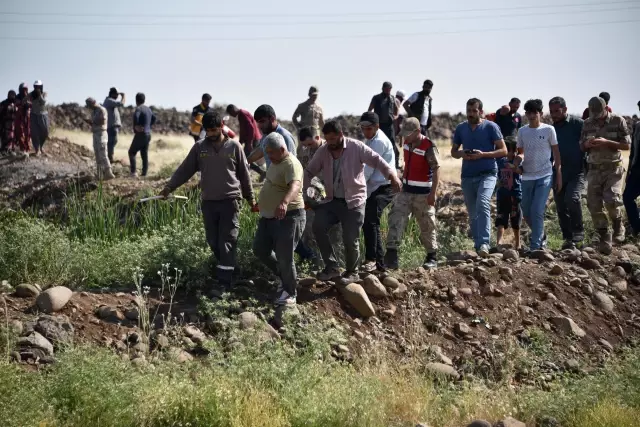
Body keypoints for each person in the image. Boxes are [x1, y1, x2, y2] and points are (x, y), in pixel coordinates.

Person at [160, 111, 256, 290]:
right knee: (213, 241)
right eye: (207, 130)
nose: (211, 134)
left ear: (222, 127)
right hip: (209, 202)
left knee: (227, 240)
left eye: (214, 130)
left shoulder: (235, 147)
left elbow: (245, 175)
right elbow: (185, 170)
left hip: (231, 201)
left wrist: (250, 198)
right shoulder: (199, 148)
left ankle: (223, 284)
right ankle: (233, 272)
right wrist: (169, 187)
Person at [304, 120, 402, 285]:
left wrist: (392, 176)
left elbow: (378, 161)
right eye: (327, 140)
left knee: (350, 238)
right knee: (318, 226)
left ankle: (352, 272)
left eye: (333, 139)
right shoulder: (323, 150)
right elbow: (309, 171)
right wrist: (305, 192)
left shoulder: (356, 147)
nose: (330, 143)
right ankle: (332, 268)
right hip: (332, 200)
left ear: (341, 135)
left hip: (354, 201)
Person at [253, 132, 306, 306]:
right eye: (266, 152)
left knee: (285, 255)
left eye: (271, 153)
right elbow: (272, 185)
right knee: (260, 249)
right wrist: (261, 204)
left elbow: (295, 186)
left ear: (282, 149)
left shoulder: (291, 164)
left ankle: (291, 292)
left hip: (290, 215)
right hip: (269, 216)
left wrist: (283, 202)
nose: (268, 156)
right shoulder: (275, 161)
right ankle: (283, 279)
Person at [451, 98, 507, 257]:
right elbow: (453, 152)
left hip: (487, 173)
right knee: (472, 211)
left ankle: (484, 243)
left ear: (480, 111)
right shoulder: (461, 128)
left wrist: (483, 155)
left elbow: (503, 151)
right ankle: (478, 246)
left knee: (483, 202)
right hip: (467, 175)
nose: (470, 114)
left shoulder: (491, 127)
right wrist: (463, 154)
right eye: (468, 111)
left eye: (474, 111)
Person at [385, 117, 440, 270]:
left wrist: (433, 193)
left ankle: (432, 257)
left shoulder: (428, 146)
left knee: (427, 224)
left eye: (408, 134)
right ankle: (391, 256)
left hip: (423, 194)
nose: (405, 137)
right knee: (396, 219)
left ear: (417, 131)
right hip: (406, 191)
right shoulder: (407, 144)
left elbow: (436, 169)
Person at [581, 96, 631, 254]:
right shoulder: (587, 123)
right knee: (593, 204)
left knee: (611, 200)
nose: (596, 117)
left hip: (613, 168)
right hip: (594, 168)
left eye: (599, 114)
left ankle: (618, 226)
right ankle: (604, 234)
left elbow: (626, 144)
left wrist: (607, 142)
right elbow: (581, 145)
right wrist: (587, 144)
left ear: (606, 108)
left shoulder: (618, 120)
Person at [511, 99, 561, 253]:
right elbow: (521, 152)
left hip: (544, 175)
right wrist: (517, 162)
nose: (532, 116)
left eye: (535, 112)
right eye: (529, 113)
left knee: (537, 210)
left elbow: (556, 155)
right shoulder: (522, 131)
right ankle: (541, 236)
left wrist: (558, 174)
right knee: (526, 212)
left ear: (541, 113)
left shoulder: (549, 130)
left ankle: (535, 247)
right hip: (526, 177)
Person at [359, 112, 396, 272]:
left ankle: (375, 260)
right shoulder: (370, 139)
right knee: (368, 221)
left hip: (384, 186)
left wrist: (356, 187)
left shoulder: (378, 142)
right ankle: (377, 262)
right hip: (374, 186)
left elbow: (367, 170)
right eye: (363, 128)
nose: (365, 131)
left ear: (377, 127)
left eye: (369, 128)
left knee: (371, 220)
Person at [549, 96, 585, 249]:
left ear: (565, 109)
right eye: (551, 111)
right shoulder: (551, 129)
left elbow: (587, 142)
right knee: (560, 205)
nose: (554, 114)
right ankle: (568, 239)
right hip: (558, 172)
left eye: (557, 111)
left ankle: (578, 232)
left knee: (572, 198)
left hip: (577, 170)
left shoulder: (578, 124)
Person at [295, 125, 326, 266]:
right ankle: (309, 260)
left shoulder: (328, 150)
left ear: (318, 137)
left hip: (325, 197)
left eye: (310, 144)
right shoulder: (302, 149)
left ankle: (322, 263)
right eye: (305, 145)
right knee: (307, 228)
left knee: (323, 230)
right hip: (307, 196)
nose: (308, 147)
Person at [494, 139, 522, 250]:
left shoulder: (519, 161)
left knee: (516, 219)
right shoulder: (500, 162)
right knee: (501, 218)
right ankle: (499, 242)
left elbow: (522, 171)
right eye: (508, 150)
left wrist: (514, 167)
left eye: (513, 150)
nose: (511, 153)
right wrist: (498, 182)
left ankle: (518, 243)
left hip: (515, 194)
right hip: (502, 194)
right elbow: (496, 175)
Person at [248, 105, 297, 169]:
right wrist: (245, 161)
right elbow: (260, 151)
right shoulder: (266, 135)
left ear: (272, 119)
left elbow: (292, 165)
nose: (259, 126)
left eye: (262, 121)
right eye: (258, 122)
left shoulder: (285, 136)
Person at [226, 104, 265, 179]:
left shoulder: (243, 114)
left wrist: (249, 143)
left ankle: (260, 173)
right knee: (245, 158)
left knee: (245, 159)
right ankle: (260, 173)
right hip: (250, 140)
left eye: (230, 113)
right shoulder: (241, 115)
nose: (231, 115)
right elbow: (244, 130)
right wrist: (240, 142)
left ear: (233, 110)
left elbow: (250, 128)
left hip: (253, 139)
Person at [369, 82, 399, 168]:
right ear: (383, 88)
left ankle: (395, 164)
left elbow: (397, 110)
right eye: (386, 88)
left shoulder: (393, 98)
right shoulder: (376, 98)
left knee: (392, 143)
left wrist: (395, 117)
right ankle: (375, 162)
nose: (388, 90)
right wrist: (371, 120)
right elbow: (370, 109)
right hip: (379, 125)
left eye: (389, 89)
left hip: (389, 125)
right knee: (377, 143)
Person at [85, 97, 115, 180]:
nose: (89, 107)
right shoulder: (94, 112)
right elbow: (95, 123)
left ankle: (109, 172)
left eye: (89, 105)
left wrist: (93, 121)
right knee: (97, 154)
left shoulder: (102, 109)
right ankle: (99, 174)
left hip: (101, 133)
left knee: (103, 153)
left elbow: (103, 120)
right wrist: (90, 122)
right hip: (95, 133)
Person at [623, 100, 640, 240]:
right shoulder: (638, 126)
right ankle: (637, 227)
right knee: (627, 198)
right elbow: (633, 151)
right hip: (637, 170)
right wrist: (629, 171)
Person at [128, 93, 156, 177]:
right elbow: (154, 118)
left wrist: (136, 126)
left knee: (131, 152)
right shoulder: (148, 109)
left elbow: (136, 116)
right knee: (144, 153)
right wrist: (148, 125)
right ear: (144, 100)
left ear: (136, 100)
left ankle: (133, 173)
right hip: (148, 134)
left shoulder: (139, 108)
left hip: (141, 134)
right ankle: (144, 173)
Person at [102, 87, 126, 163]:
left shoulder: (110, 101)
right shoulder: (109, 101)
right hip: (111, 127)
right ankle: (110, 160)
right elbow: (121, 104)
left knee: (112, 143)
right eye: (116, 95)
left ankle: (109, 159)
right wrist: (123, 96)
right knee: (111, 143)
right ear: (112, 94)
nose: (117, 97)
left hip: (111, 127)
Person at [30, 80, 49, 156]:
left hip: (43, 115)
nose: (37, 88)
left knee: (45, 131)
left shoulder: (44, 93)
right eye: (36, 87)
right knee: (34, 132)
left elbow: (43, 102)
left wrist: (39, 95)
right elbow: (25, 99)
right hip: (34, 115)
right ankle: (37, 149)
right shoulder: (31, 94)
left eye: (38, 87)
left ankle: (41, 146)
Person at [14, 84, 31, 153]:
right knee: (20, 132)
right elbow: (15, 104)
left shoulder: (29, 97)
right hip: (19, 117)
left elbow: (33, 104)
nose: (24, 91)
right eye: (22, 89)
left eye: (25, 89)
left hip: (28, 117)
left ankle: (27, 148)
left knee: (28, 132)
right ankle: (23, 148)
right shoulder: (17, 97)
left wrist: (29, 104)